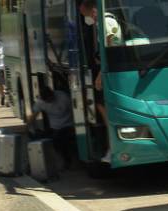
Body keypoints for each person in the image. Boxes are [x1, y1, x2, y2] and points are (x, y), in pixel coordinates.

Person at [79, 0, 123, 162]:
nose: (87, 19)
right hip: (107, 70)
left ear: (93, 11)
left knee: (104, 109)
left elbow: (111, 49)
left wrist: (100, 76)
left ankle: (113, 148)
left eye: (86, 15)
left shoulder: (105, 22)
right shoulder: (104, 22)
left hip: (108, 71)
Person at [27, 86, 75, 169]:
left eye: (50, 99)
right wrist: (28, 128)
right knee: (51, 139)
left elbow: (74, 109)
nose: (49, 101)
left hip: (69, 124)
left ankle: (67, 161)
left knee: (62, 139)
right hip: (55, 127)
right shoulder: (40, 102)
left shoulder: (63, 97)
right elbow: (33, 116)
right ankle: (61, 160)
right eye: (47, 101)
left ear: (53, 95)